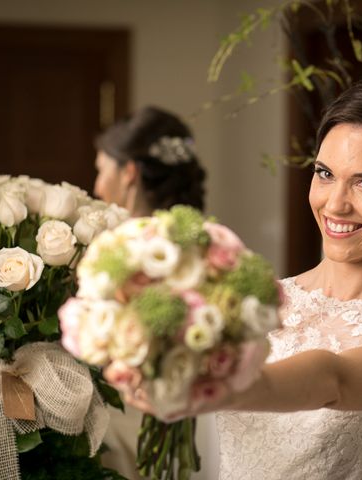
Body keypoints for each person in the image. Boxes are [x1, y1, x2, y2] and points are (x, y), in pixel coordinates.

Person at [113, 73, 362, 479]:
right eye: (325, 174)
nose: (335, 204)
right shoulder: (252, 298)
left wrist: (211, 389)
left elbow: (333, 379)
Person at [92, 106, 207, 480]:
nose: (96, 185)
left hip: (125, 418)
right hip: (193, 418)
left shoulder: (116, 252)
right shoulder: (204, 246)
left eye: (101, 170)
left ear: (128, 173)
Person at [93, 105, 206, 217]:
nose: (97, 189)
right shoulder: (209, 233)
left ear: (129, 172)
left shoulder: (118, 235)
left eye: (101, 170)